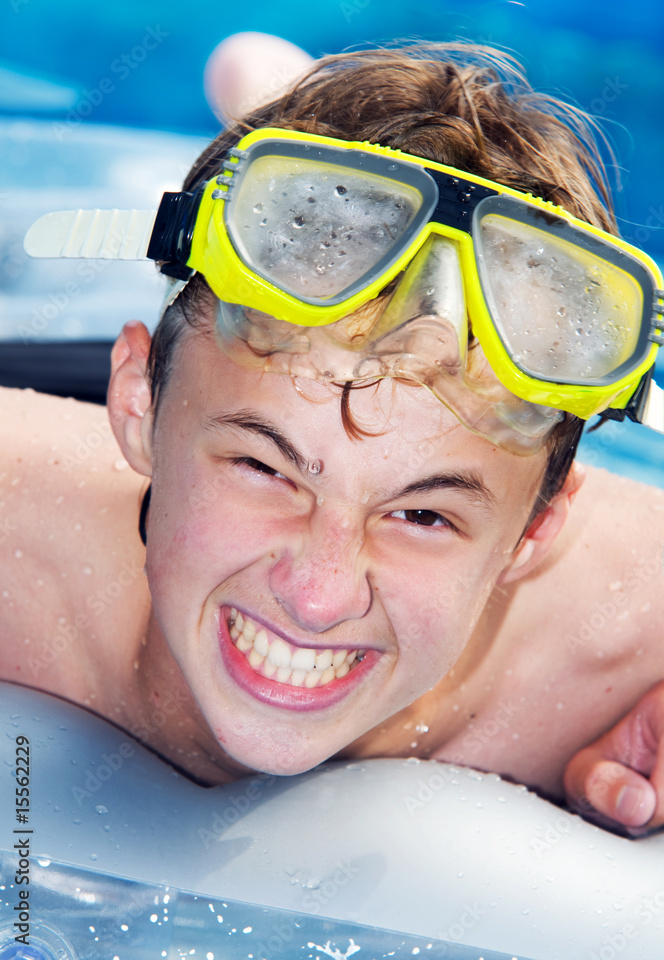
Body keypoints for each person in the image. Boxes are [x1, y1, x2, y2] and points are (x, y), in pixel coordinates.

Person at [11, 42, 664, 837]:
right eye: (263, 468)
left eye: (422, 516)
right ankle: (288, 108)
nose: (319, 599)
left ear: (535, 532)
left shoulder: (615, 645)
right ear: (136, 405)